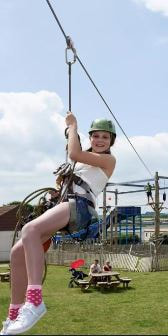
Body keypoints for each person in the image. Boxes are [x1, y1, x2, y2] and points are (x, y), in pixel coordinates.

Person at [2, 113, 116, 335]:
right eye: (96, 136)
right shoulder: (81, 162)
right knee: (17, 253)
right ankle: (14, 314)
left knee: (30, 229)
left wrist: (72, 126)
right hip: (67, 204)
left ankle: (34, 300)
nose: (100, 140)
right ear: (90, 138)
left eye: (105, 137)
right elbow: (74, 155)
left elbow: (75, 152)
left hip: (80, 207)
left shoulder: (109, 161)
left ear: (111, 141)